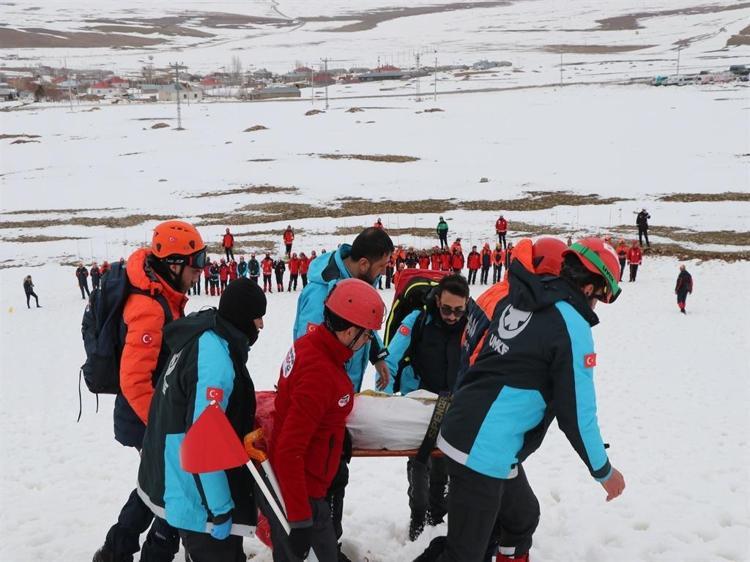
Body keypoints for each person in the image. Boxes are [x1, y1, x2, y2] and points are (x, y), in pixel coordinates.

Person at [419, 238, 625, 562]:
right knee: (465, 554)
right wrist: (603, 471)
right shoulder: (572, 325)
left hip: (479, 435)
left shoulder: (518, 299)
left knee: (521, 517)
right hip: (482, 450)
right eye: (601, 296)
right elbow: (577, 414)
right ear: (590, 288)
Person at [94, 220, 206, 562]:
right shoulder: (149, 308)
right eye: (195, 264)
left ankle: (115, 551)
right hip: (147, 417)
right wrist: (162, 426)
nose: (200, 272)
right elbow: (134, 379)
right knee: (175, 489)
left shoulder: (163, 295)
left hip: (154, 413)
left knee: (155, 485)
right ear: (173, 264)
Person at [137, 278, 266, 562]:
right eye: (258, 317)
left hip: (182, 476)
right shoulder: (215, 360)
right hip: (197, 495)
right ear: (243, 317)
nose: (261, 325)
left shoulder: (205, 334)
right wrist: (220, 508)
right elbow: (203, 438)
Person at [292, 227, 393, 552]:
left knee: (337, 470)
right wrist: (331, 393)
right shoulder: (321, 293)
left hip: (340, 395)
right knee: (324, 473)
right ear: (364, 263)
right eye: (382, 267)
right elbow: (310, 352)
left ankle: (329, 542)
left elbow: (363, 322)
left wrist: (376, 354)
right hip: (322, 400)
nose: (383, 273)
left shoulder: (359, 283)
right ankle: (320, 545)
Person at [270, 279, 385, 562]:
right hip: (303, 494)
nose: (368, 341)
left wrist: (335, 434)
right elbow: (289, 450)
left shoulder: (311, 345)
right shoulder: (320, 374)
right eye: (367, 335)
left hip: (304, 487)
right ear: (350, 332)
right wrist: (299, 520)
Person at [384, 274, 470, 541]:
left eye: (459, 310)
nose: (452, 316)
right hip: (420, 403)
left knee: (444, 464)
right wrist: (384, 398)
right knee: (420, 463)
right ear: (438, 301)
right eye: (447, 309)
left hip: (454, 404)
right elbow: (390, 360)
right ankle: (418, 516)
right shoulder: (418, 320)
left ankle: (437, 516)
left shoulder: (472, 325)